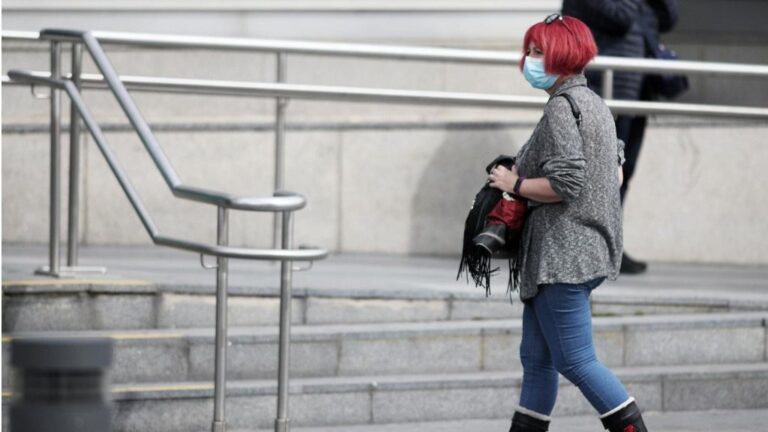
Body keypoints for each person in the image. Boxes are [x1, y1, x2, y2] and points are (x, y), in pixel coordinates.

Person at [487, 14, 647, 432]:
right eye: (530, 51)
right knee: (537, 361)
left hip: (562, 255)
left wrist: (514, 182)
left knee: (576, 361)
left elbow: (567, 182)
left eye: (539, 52)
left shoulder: (562, 107)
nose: (530, 60)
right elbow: (614, 173)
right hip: (578, 251)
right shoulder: (595, 104)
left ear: (562, 54)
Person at [562, 0, 680, 274]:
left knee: (624, 170)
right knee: (596, 171)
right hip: (603, 89)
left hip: (638, 88)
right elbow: (621, 17)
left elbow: (668, 19)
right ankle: (587, 244)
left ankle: (609, 242)